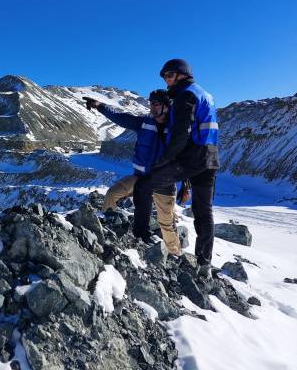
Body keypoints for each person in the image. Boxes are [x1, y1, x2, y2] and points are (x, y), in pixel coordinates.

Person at [134, 59, 219, 278]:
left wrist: (165, 159)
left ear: (182, 75)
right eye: (164, 77)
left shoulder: (185, 95)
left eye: (170, 75)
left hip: (191, 158)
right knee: (203, 211)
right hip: (210, 158)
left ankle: (139, 236)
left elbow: (181, 132)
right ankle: (204, 263)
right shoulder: (205, 94)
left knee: (143, 185)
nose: (167, 80)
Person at [84, 90, 182, 254]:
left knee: (166, 223)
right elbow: (121, 117)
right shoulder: (143, 123)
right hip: (140, 178)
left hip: (163, 183)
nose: (152, 107)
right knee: (112, 194)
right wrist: (99, 106)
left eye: (156, 103)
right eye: (151, 103)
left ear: (166, 106)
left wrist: (186, 184)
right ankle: (110, 232)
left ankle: (176, 254)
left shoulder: (176, 128)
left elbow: (184, 157)